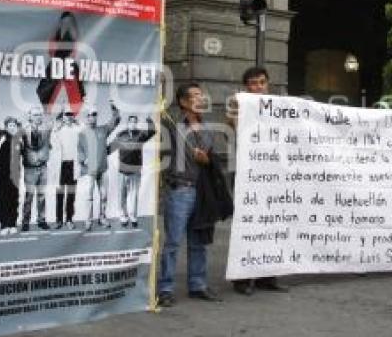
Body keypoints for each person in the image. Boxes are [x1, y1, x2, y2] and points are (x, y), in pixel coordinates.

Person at [157, 83, 221, 307]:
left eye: (202, 95)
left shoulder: (209, 130)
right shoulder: (172, 125)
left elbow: (213, 162)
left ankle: (198, 284)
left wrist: (208, 160)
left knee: (198, 241)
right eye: (195, 96)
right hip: (179, 191)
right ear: (183, 102)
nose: (200, 98)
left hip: (201, 191)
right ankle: (165, 288)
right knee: (173, 242)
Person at [227, 66, 287, 295]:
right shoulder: (238, 105)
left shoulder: (279, 107)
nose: (258, 87)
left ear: (268, 84)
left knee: (272, 225)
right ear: (246, 86)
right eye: (253, 83)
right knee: (247, 225)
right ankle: (241, 279)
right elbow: (232, 125)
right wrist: (240, 106)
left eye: (262, 82)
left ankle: (266, 276)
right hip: (247, 175)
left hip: (273, 175)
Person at [77, 101, 120, 230]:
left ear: (97, 116)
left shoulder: (103, 129)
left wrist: (114, 108)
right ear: (86, 117)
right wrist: (83, 159)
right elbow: (79, 150)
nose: (92, 117)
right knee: (89, 197)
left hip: (103, 169)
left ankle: (102, 217)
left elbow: (116, 120)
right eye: (89, 115)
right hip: (89, 171)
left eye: (94, 114)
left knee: (104, 195)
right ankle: (88, 220)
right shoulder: (82, 134)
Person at [108, 115, 157, 228]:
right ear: (128, 123)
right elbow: (110, 148)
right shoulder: (121, 135)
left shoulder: (141, 134)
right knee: (122, 195)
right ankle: (123, 216)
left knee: (134, 195)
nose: (133, 124)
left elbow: (153, 131)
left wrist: (149, 119)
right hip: (122, 170)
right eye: (131, 122)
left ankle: (133, 217)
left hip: (135, 170)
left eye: (135, 122)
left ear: (136, 123)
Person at [21, 106, 52, 231]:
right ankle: (25, 222)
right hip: (30, 168)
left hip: (43, 167)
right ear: (29, 117)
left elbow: (55, 121)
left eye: (39, 114)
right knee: (29, 196)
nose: (37, 117)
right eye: (35, 115)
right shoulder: (23, 130)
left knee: (42, 196)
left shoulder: (46, 128)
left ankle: (41, 220)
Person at [0, 117, 22, 236]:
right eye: (9, 125)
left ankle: (12, 224)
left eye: (14, 125)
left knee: (13, 199)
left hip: (14, 175)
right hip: (1, 174)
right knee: (1, 199)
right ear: (6, 127)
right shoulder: (1, 139)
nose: (12, 127)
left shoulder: (20, 141)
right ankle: (4, 225)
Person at [53, 111, 80, 229]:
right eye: (66, 115)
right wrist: (57, 125)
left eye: (71, 115)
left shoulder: (77, 129)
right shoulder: (57, 130)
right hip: (60, 165)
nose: (68, 117)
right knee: (59, 194)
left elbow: (85, 131)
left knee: (71, 194)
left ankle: (69, 219)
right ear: (62, 117)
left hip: (73, 164)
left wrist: (78, 121)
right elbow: (51, 142)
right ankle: (59, 220)